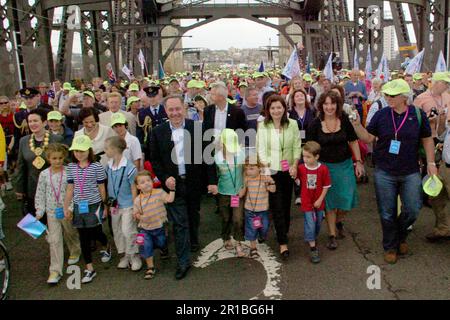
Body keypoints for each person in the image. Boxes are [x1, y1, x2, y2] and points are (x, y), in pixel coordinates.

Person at [350, 79, 436, 264]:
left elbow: (427, 139)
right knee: (387, 212)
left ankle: (400, 235)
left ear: (404, 97)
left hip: (410, 170)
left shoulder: (417, 114)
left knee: (413, 208)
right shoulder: (381, 115)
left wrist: (431, 162)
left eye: (392, 95)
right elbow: (368, 138)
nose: (388, 97)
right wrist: (357, 125)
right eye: (387, 94)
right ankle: (391, 245)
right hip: (384, 171)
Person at [150, 95, 206, 279]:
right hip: (173, 186)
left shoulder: (196, 128)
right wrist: (165, 178)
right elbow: (155, 160)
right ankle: (183, 262)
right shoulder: (158, 132)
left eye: (178, 109)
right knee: (179, 224)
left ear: (184, 108)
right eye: (171, 110)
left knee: (193, 215)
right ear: (166, 111)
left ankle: (193, 239)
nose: (175, 113)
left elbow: (206, 158)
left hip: (194, 183)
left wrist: (211, 181)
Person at [306, 91, 364, 250]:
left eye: (332, 103)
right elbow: (309, 149)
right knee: (330, 204)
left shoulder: (344, 120)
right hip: (325, 168)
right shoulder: (315, 124)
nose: (329, 107)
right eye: (326, 104)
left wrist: (358, 162)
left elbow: (353, 141)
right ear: (321, 105)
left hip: (345, 166)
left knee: (347, 202)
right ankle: (332, 235)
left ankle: (338, 221)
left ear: (337, 105)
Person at [256, 95, 301, 259]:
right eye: (273, 108)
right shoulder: (263, 126)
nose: (276, 111)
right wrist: (266, 171)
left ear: (284, 108)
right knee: (276, 207)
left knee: (286, 206)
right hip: (271, 172)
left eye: (279, 107)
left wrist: (295, 165)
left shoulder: (293, 124)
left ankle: (283, 231)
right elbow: (261, 150)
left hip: (288, 171)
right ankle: (283, 244)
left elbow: (297, 146)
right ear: (268, 110)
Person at [63, 135, 111, 283]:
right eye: (76, 151)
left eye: (82, 150)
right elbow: (70, 188)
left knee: (95, 232)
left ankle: (106, 244)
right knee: (83, 235)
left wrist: (105, 206)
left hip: (94, 204)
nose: (79, 153)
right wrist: (66, 206)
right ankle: (90, 268)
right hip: (79, 205)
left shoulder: (96, 166)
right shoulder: (71, 167)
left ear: (89, 150)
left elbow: (102, 187)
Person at [34, 143, 81, 284]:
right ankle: (55, 270)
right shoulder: (43, 174)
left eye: (60, 158)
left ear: (64, 157)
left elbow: (74, 192)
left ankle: (75, 250)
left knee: (70, 232)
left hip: (66, 210)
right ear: (48, 158)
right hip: (51, 212)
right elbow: (40, 193)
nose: (57, 161)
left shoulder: (69, 172)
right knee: (54, 240)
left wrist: (71, 208)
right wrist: (39, 210)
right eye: (54, 158)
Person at [13, 109, 64, 222]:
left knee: (54, 223)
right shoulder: (24, 141)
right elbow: (21, 166)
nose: (32, 124)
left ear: (44, 123)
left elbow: (64, 164)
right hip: (32, 188)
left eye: (35, 120)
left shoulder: (56, 139)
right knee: (34, 225)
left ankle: (53, 238)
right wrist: (19, 188)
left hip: (53, 188)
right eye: (30, 121)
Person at [104, 136, 141, 271]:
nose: (105, 151)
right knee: (117, 231)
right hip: (114, 205)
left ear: (114, 149)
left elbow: (133, 187)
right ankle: (124, 255)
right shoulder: (108, 165)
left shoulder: (130, 167)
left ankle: (134, 255)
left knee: (128, 231)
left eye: (107, 148)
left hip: (128, 205)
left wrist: (135, 205)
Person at [134, 171, 175, 279]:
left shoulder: (159, 192)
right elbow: (135, 213)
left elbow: (170, 199)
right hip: (145, 228)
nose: (146, 183)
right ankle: (150, 267)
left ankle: (163, 248)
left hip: (160, 227)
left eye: (148, 180)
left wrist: (172, 189)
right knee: (145, 245)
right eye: (142, 182)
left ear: (152, 181)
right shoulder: (137, 200)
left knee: (162, 242)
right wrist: (140, 217)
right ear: (138, 186)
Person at [211, 129, 246, 256]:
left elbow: (244, 172)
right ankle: (226, 236)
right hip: (223, 193)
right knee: (226, 217)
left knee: (238, 219)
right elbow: (214, 176)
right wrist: (213, 187)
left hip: (238, 192)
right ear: (222, 144)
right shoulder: (216, 158)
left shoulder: (241, 154)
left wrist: (244, 187)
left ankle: (238, 243)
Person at [297, 141, 331, 264]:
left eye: (308, 157)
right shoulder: (301, 168)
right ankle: (313, 247)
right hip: (307, 202)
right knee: (310, 223)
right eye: (303, 156)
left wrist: (320, 199)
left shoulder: (323, 169)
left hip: (318, 201)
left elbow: (326, 186)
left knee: (317, 225)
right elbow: (295, 178)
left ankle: (312, 237)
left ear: (316, 157)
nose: (304, 159)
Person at [239, 158, 275, 259]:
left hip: (263, 210)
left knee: (264, 228)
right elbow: (241, 194)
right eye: (246, 169)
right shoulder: (246, 179)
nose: (248, 171)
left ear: (259, 168)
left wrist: (271, 182)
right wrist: (238, 191)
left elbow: (272, 190)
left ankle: (262, 236)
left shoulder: (264, 178)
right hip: (250, 210)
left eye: (251, 168)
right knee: (251, 230)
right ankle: (253, 248)